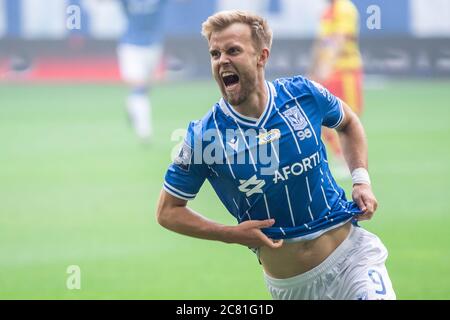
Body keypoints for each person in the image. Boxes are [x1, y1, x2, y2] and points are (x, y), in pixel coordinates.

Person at [157, 10, 395, 300]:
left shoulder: (303, 94)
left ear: (261, 56)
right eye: (215, 53)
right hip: (292, 288)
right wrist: (230, 234)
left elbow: (348, 122)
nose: (222, 61)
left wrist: (361, 180)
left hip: (352, 260)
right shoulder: (204, 136)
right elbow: (168, 211)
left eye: (233, 50)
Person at [308, 0, 363, 178]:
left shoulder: (344, 7)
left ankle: (351, 162)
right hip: (328, 73)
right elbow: (320, 43)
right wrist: (314, 70)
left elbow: (340, 38)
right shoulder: (326, 12)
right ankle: (341, 157)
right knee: (319, 114)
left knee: (349, 116)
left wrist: (326, 65)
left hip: (345, 71)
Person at [117, 0, 168, 141]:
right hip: (131, 46)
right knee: (138, 87)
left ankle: (132, 106)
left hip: (153, 46)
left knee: (145, 88)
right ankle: (145, 131)